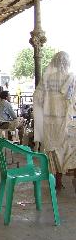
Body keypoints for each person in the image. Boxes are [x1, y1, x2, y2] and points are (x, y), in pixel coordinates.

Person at [33, 51, 76, 191]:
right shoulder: (71, 78)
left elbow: (37, 98)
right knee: (67, 150)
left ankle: (57, 182)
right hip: (66, 121)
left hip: (49, 121)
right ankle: (72, 177)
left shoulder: (46, 79)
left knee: (53, 151)